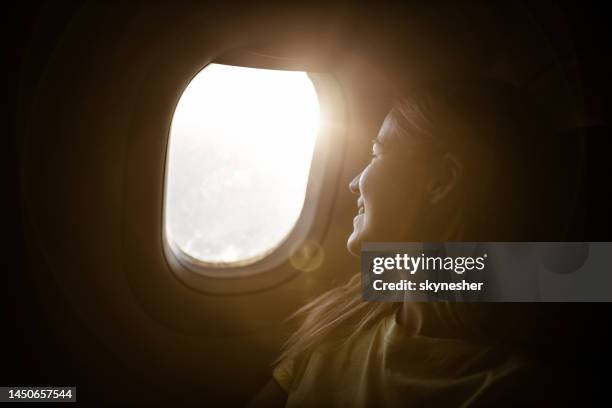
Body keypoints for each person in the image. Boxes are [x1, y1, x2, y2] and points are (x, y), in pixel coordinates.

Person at [248, 80, 581, 407]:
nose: (353, 183)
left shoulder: (514, 391)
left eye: (376, 154)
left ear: (440, 181)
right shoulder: (343, 315)